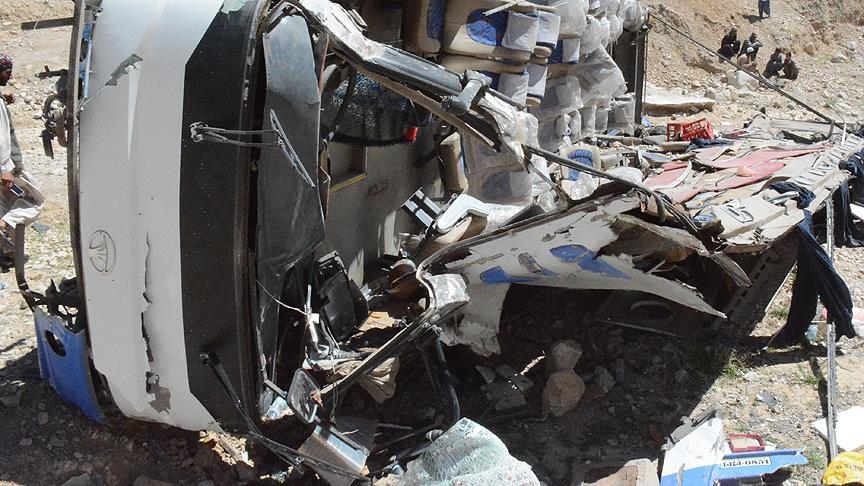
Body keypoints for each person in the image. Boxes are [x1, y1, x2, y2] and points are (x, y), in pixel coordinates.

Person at [0, 53, 43, 262]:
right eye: (7, 72)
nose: (10, 76)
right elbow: (1, 136)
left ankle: (8, 252)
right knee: (34, 199)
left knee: (5, 203)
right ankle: (4, 226)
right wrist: (4, 169)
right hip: (5, 166)